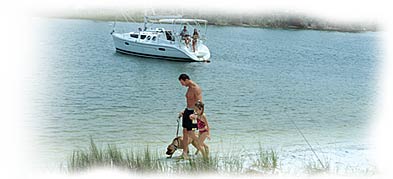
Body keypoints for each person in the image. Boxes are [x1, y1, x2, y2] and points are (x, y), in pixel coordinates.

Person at [178, 74, 207, 159]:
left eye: (182, 82)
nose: (182, 85)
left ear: (186, 80)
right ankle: (185, 152)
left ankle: (204, 148)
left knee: (191, 134)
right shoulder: (189, 88)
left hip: (193, 113)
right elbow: (190, 102)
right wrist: (184, 111)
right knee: (185, 132)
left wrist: (196, 114)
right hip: (188, 111)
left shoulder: (196, 88)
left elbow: (200, 103)